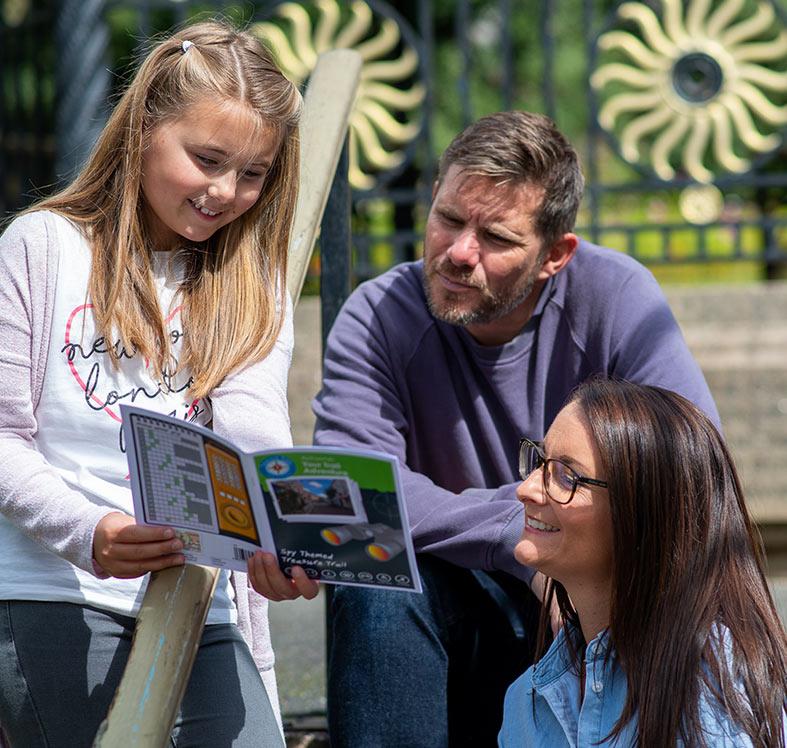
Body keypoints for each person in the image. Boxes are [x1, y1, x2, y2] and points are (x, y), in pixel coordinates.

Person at [310, 111, 721, 746]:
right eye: (447, 218)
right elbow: (352, 496)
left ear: (555, 254)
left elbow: (691, 478)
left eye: (496, 237)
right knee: (377, 585)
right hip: (447, 620)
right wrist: (516, 538)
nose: (458, 253)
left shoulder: (617, 301)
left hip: (604, 611)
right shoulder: (376, 317)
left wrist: (569, 571)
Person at [0, 19, 315, 747]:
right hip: (56, 588)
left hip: (198, 595)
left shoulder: (251, 279)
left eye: (254, 173)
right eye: (206, 158)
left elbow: (253, 424)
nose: (226, 192)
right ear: (143, 128)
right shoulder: (41, 246)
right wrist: (91, 532)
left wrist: (281, 533)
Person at [500, 378, 787, 747]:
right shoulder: (525, 704)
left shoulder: (709, 672)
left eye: (566, 476)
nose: (525, 489)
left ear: (644, 513)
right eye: (539, 461)